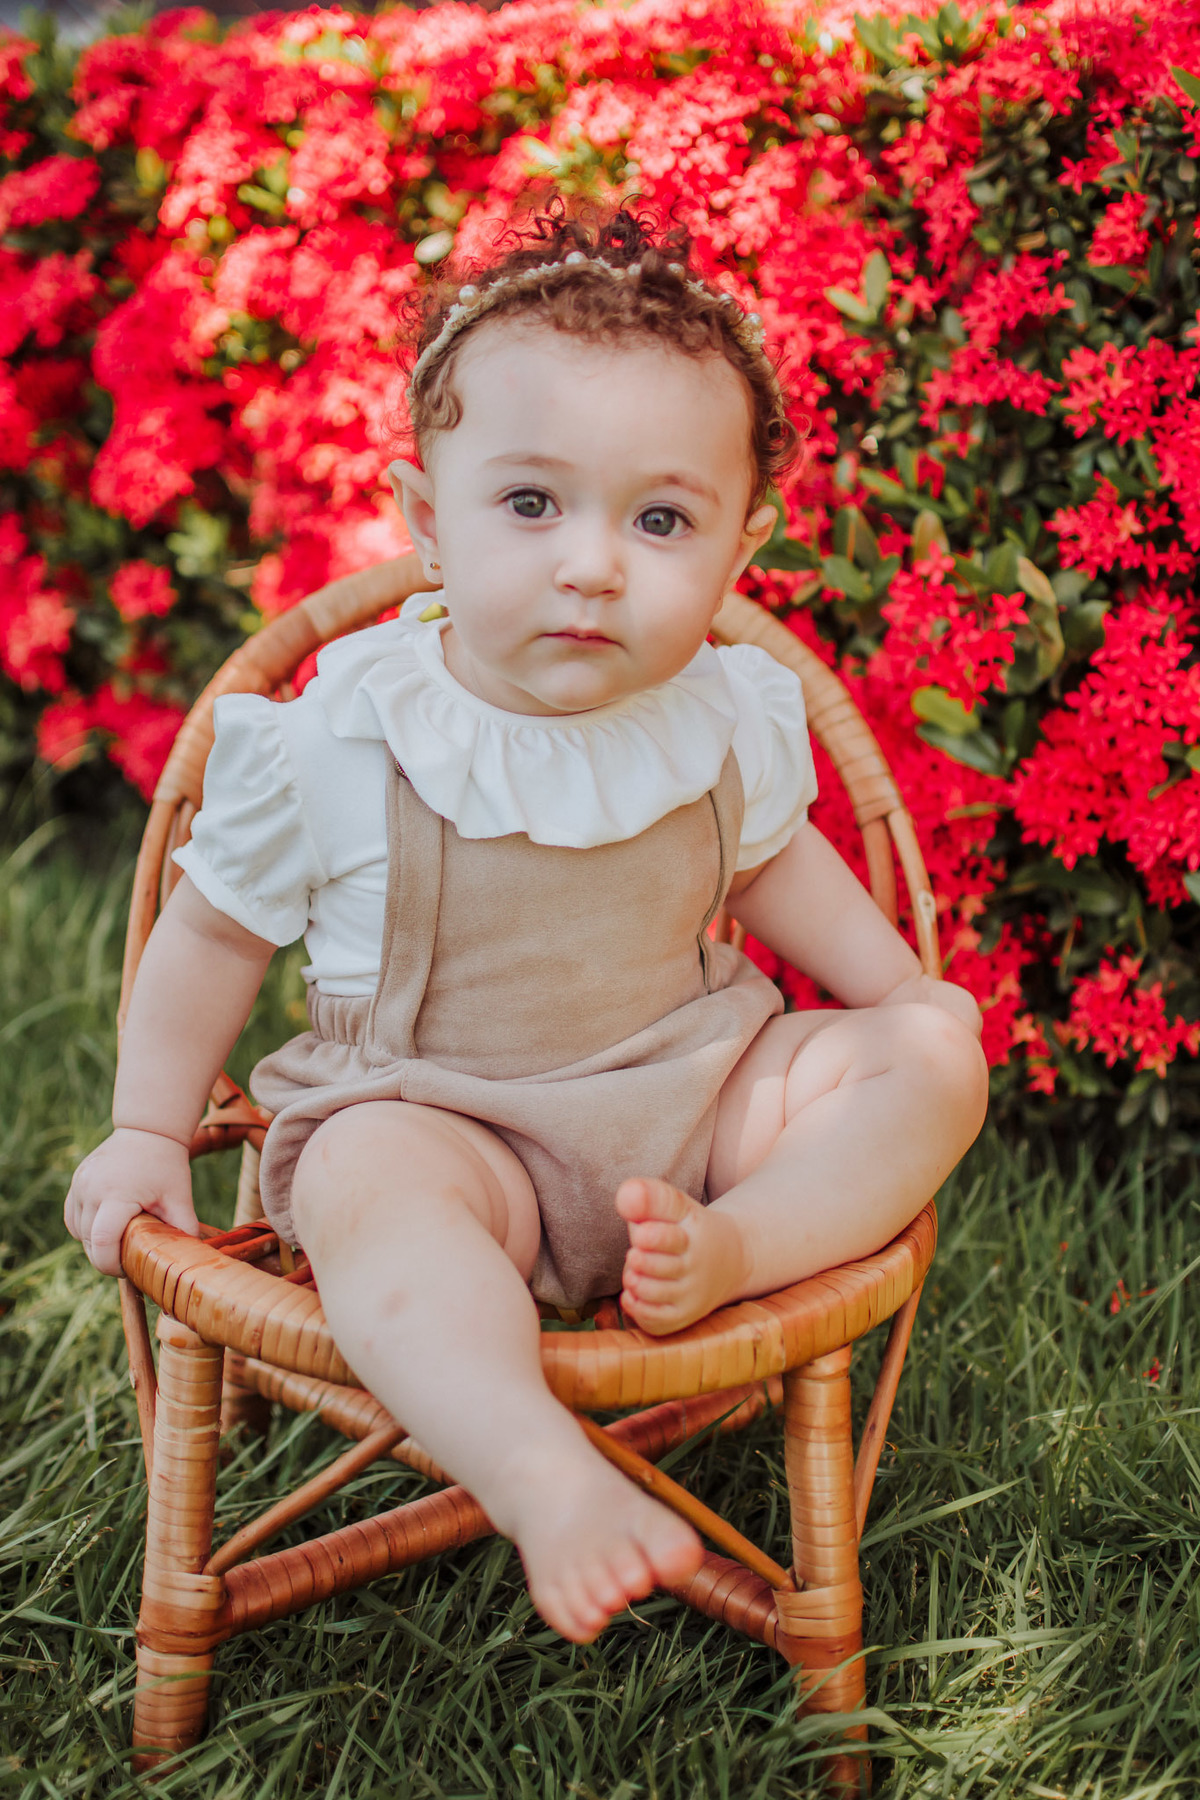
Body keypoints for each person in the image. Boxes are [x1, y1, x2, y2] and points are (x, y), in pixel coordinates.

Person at [65, 207, 988, 1646]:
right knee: (370, 1183)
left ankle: (736, 1250)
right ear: (428, 517)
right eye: (532, 505)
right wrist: (141, 1129)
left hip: (693, 1107)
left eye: (661, 520)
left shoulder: (727, 716)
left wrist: (905, 999)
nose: (594, 567)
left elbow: (781, 870)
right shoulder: (342, 739)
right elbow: (209, 939)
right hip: (443, 1120)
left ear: (742, 546)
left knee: (933, 1058)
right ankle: (536, 1469)